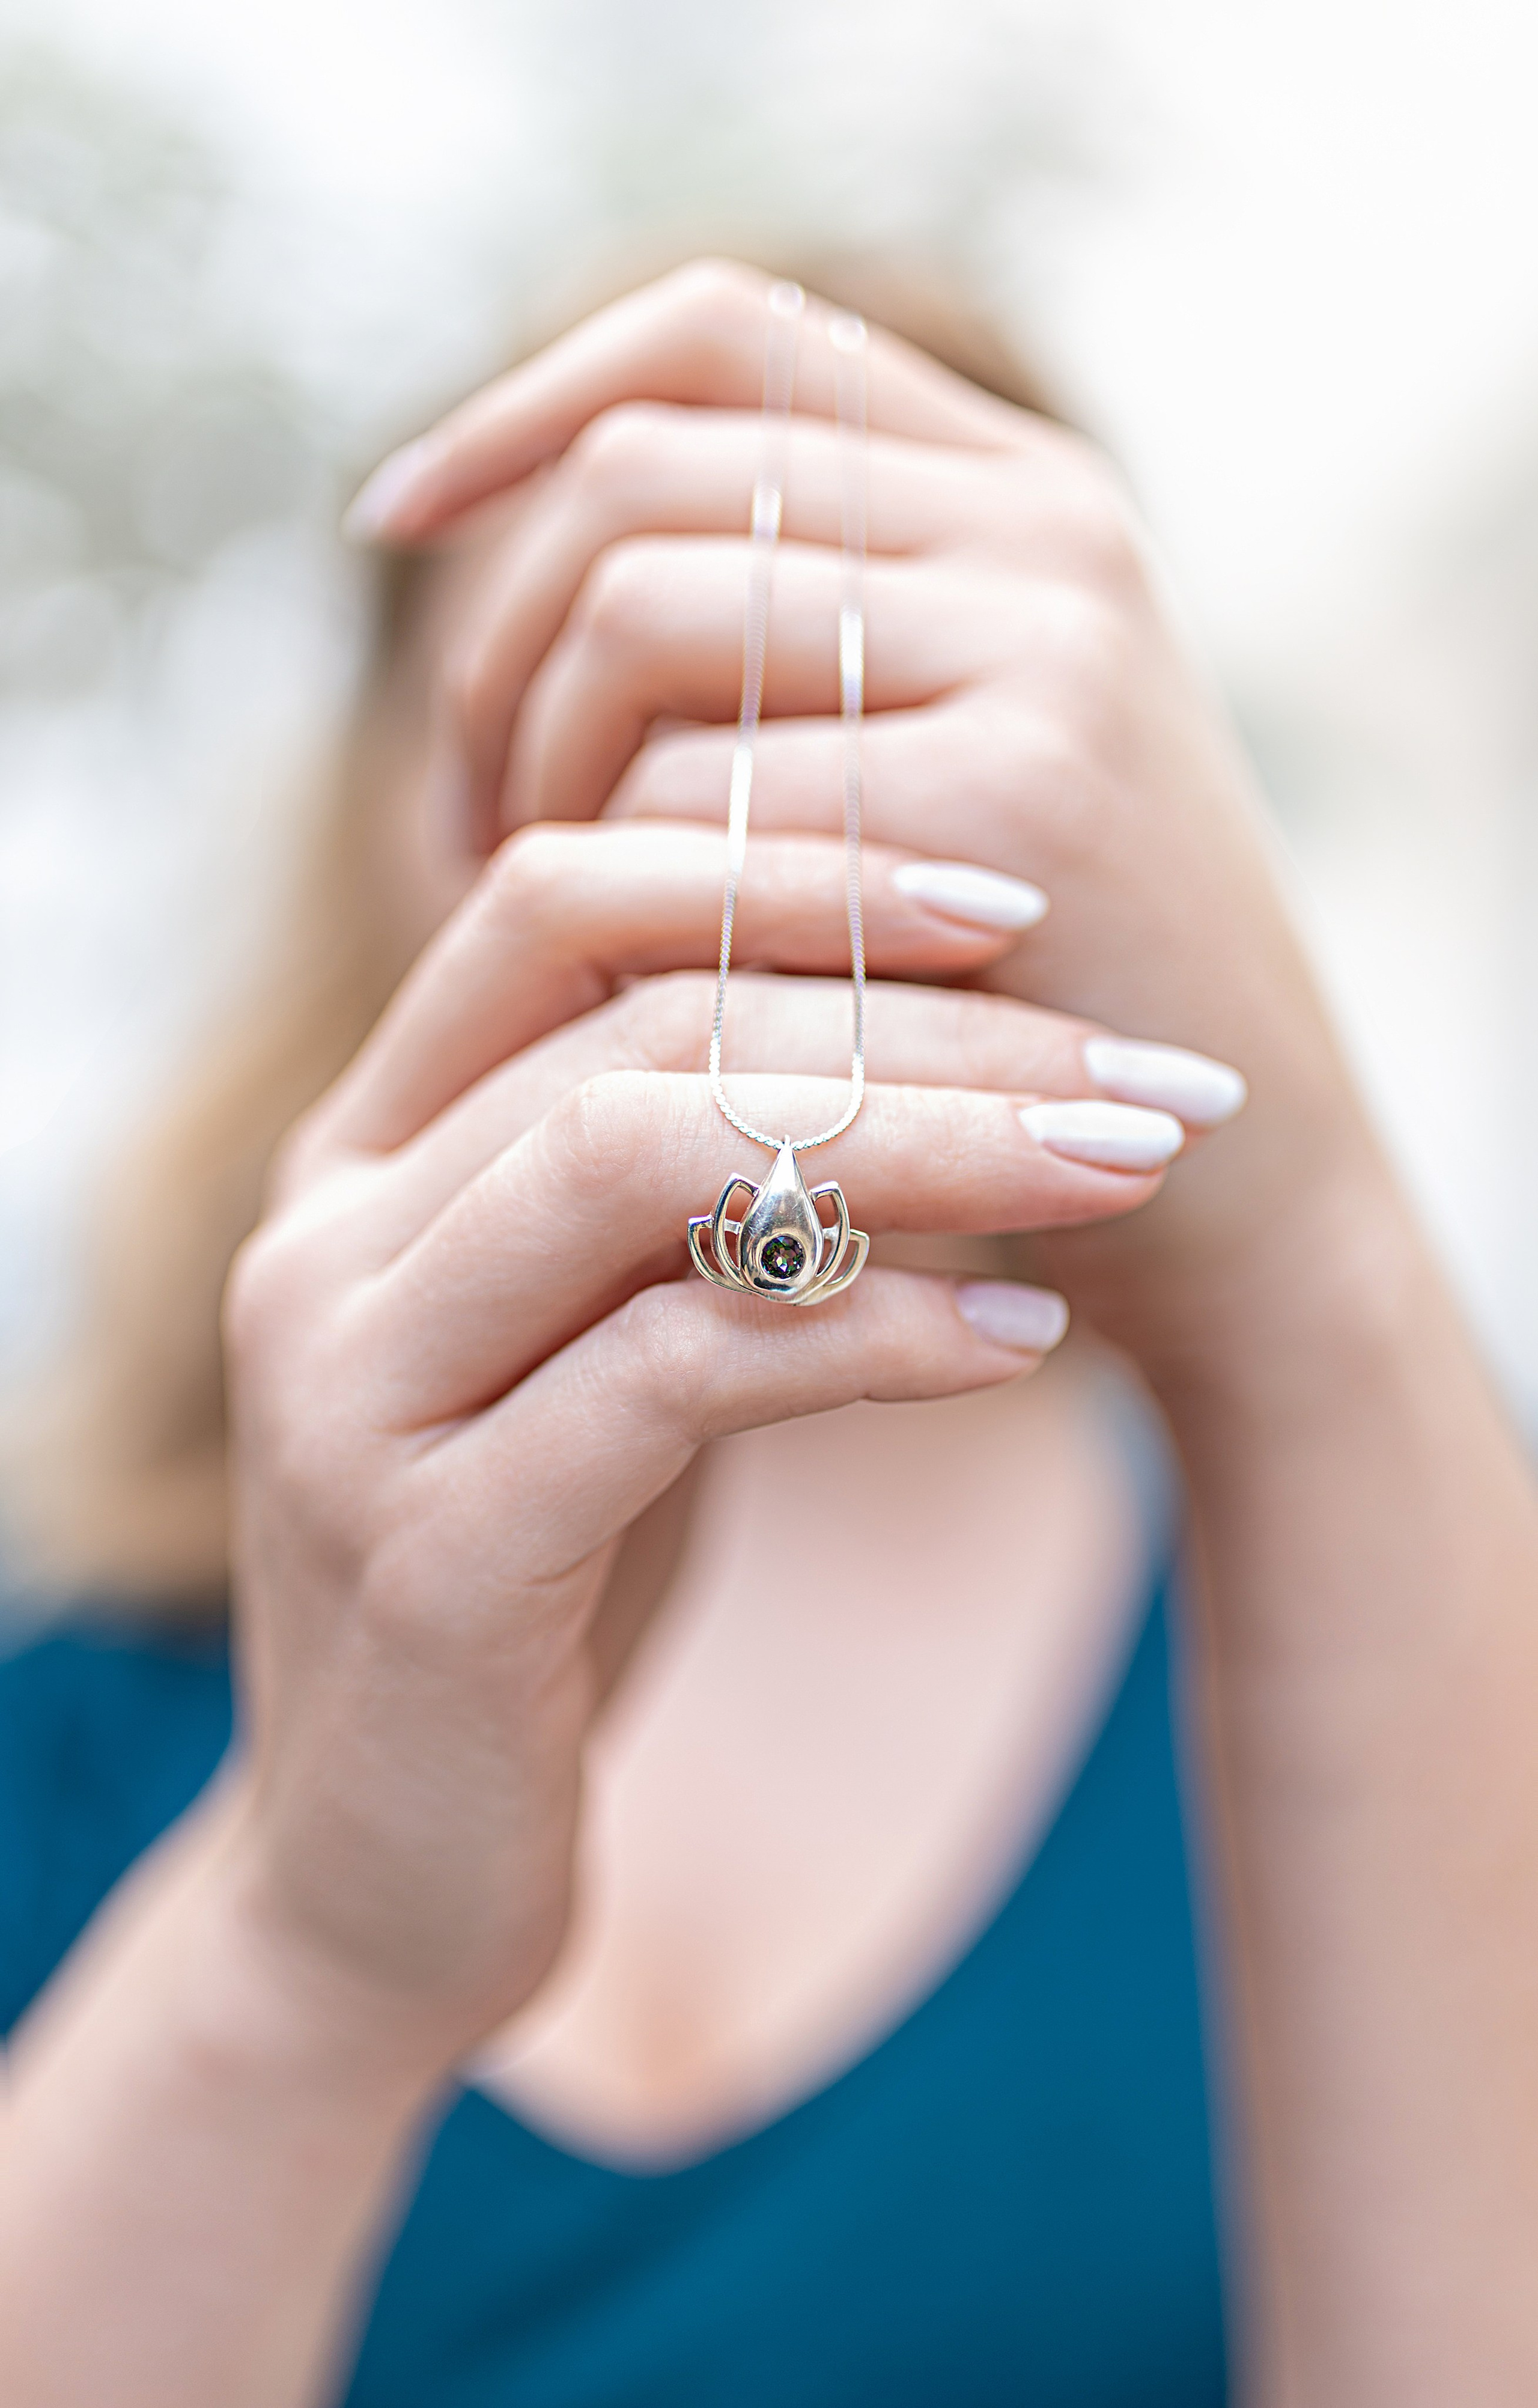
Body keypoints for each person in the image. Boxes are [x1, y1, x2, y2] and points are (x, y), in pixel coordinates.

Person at [1, 257, 1536, 2408]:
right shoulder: (68, 1700)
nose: (758, 837)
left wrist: (1316, 1279)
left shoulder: (1418, 1627)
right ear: (395, 824)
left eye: (892, 715)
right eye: (614, 707)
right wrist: (305, 1954)